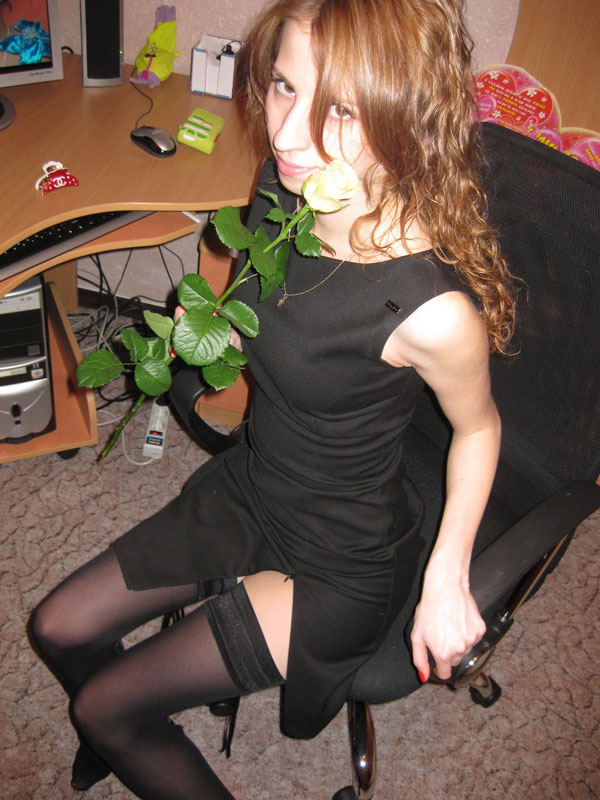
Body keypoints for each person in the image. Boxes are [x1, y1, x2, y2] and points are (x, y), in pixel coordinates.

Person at [30, 0, 515, 797]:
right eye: (284, 86)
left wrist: (448, 573)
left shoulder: (430, 310)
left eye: (340, 110)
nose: (288, 134)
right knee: (57, 626)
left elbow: (480, 429)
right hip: (257, 483)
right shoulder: (285, 192)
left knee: (102, 708)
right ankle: (126, 731)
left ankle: (117, 724)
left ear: (402, 113)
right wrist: (204, 331)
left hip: (340, 555)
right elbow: (272, 310)